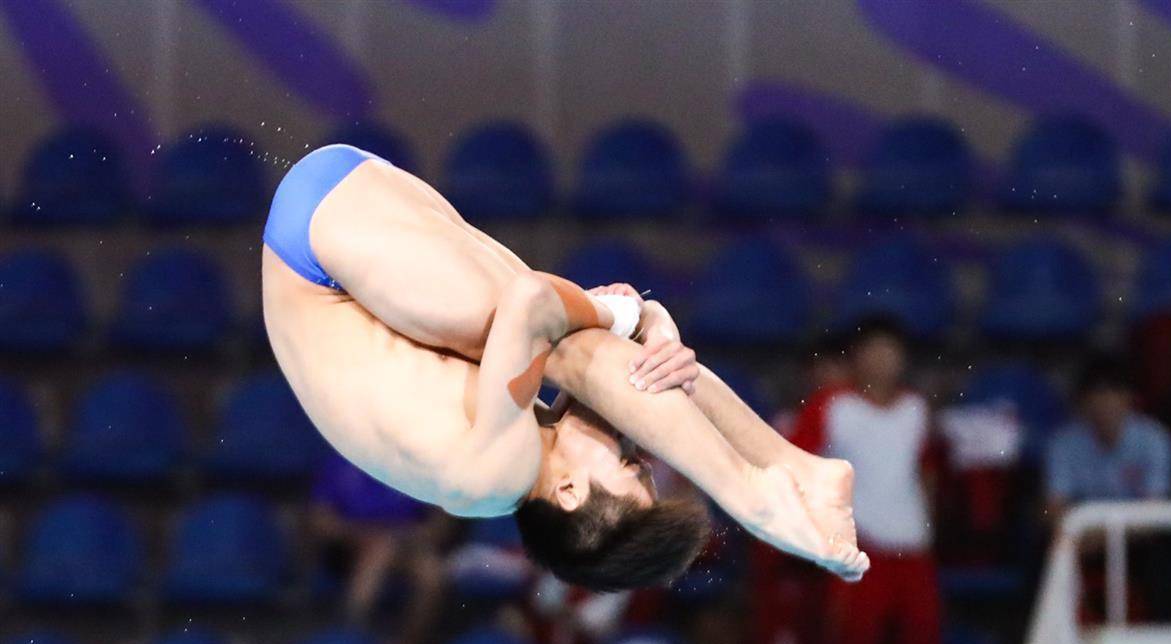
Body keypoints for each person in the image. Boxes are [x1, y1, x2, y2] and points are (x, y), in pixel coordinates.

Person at [262, 144, 867, 592]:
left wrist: (629, 316)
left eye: (629, 466)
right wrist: (645, 323)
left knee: (555, 339)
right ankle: (796, 467)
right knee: (587, 349)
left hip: (318, 248)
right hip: (341, 218)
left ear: (571, 493)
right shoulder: (524, 454)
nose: (636, 446)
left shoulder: (498, 476)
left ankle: (754, 494)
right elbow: (622, 372)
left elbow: (533, 305)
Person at [786, 317, 944, 644]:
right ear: (855, 357)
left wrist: (926, 525)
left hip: (912, 553)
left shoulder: (915, 409)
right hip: (859, 555)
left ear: (902, 359)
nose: (881, 361)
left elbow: (926, 472)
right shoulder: (831, 406)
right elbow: (794, 465)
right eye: (872, 351)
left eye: (889, 351)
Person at [1045, 356, 1171, 620]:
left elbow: (1154, 514)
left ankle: (1164, 633)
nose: (1104, 403)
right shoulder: (1063, 443)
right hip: (1082, 540)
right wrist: (1076, 537)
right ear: (1082, 402)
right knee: (1045, 553)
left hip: (1135, 539)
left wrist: (1106, 537)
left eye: (1112, 392)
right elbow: (1054, 508)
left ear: (1128, 398)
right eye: (1096, 394)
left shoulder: (1154, 439)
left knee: (1169, 555)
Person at [310, 450, 457, 644]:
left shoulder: (416, 465)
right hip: (348, 551)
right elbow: (320, 521)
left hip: (406, 546)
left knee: (432, 573)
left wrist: (403, 537)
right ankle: (350, 640)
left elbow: (439, 527)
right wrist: (362, 536)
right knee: (379, 553)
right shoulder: (343, 458)